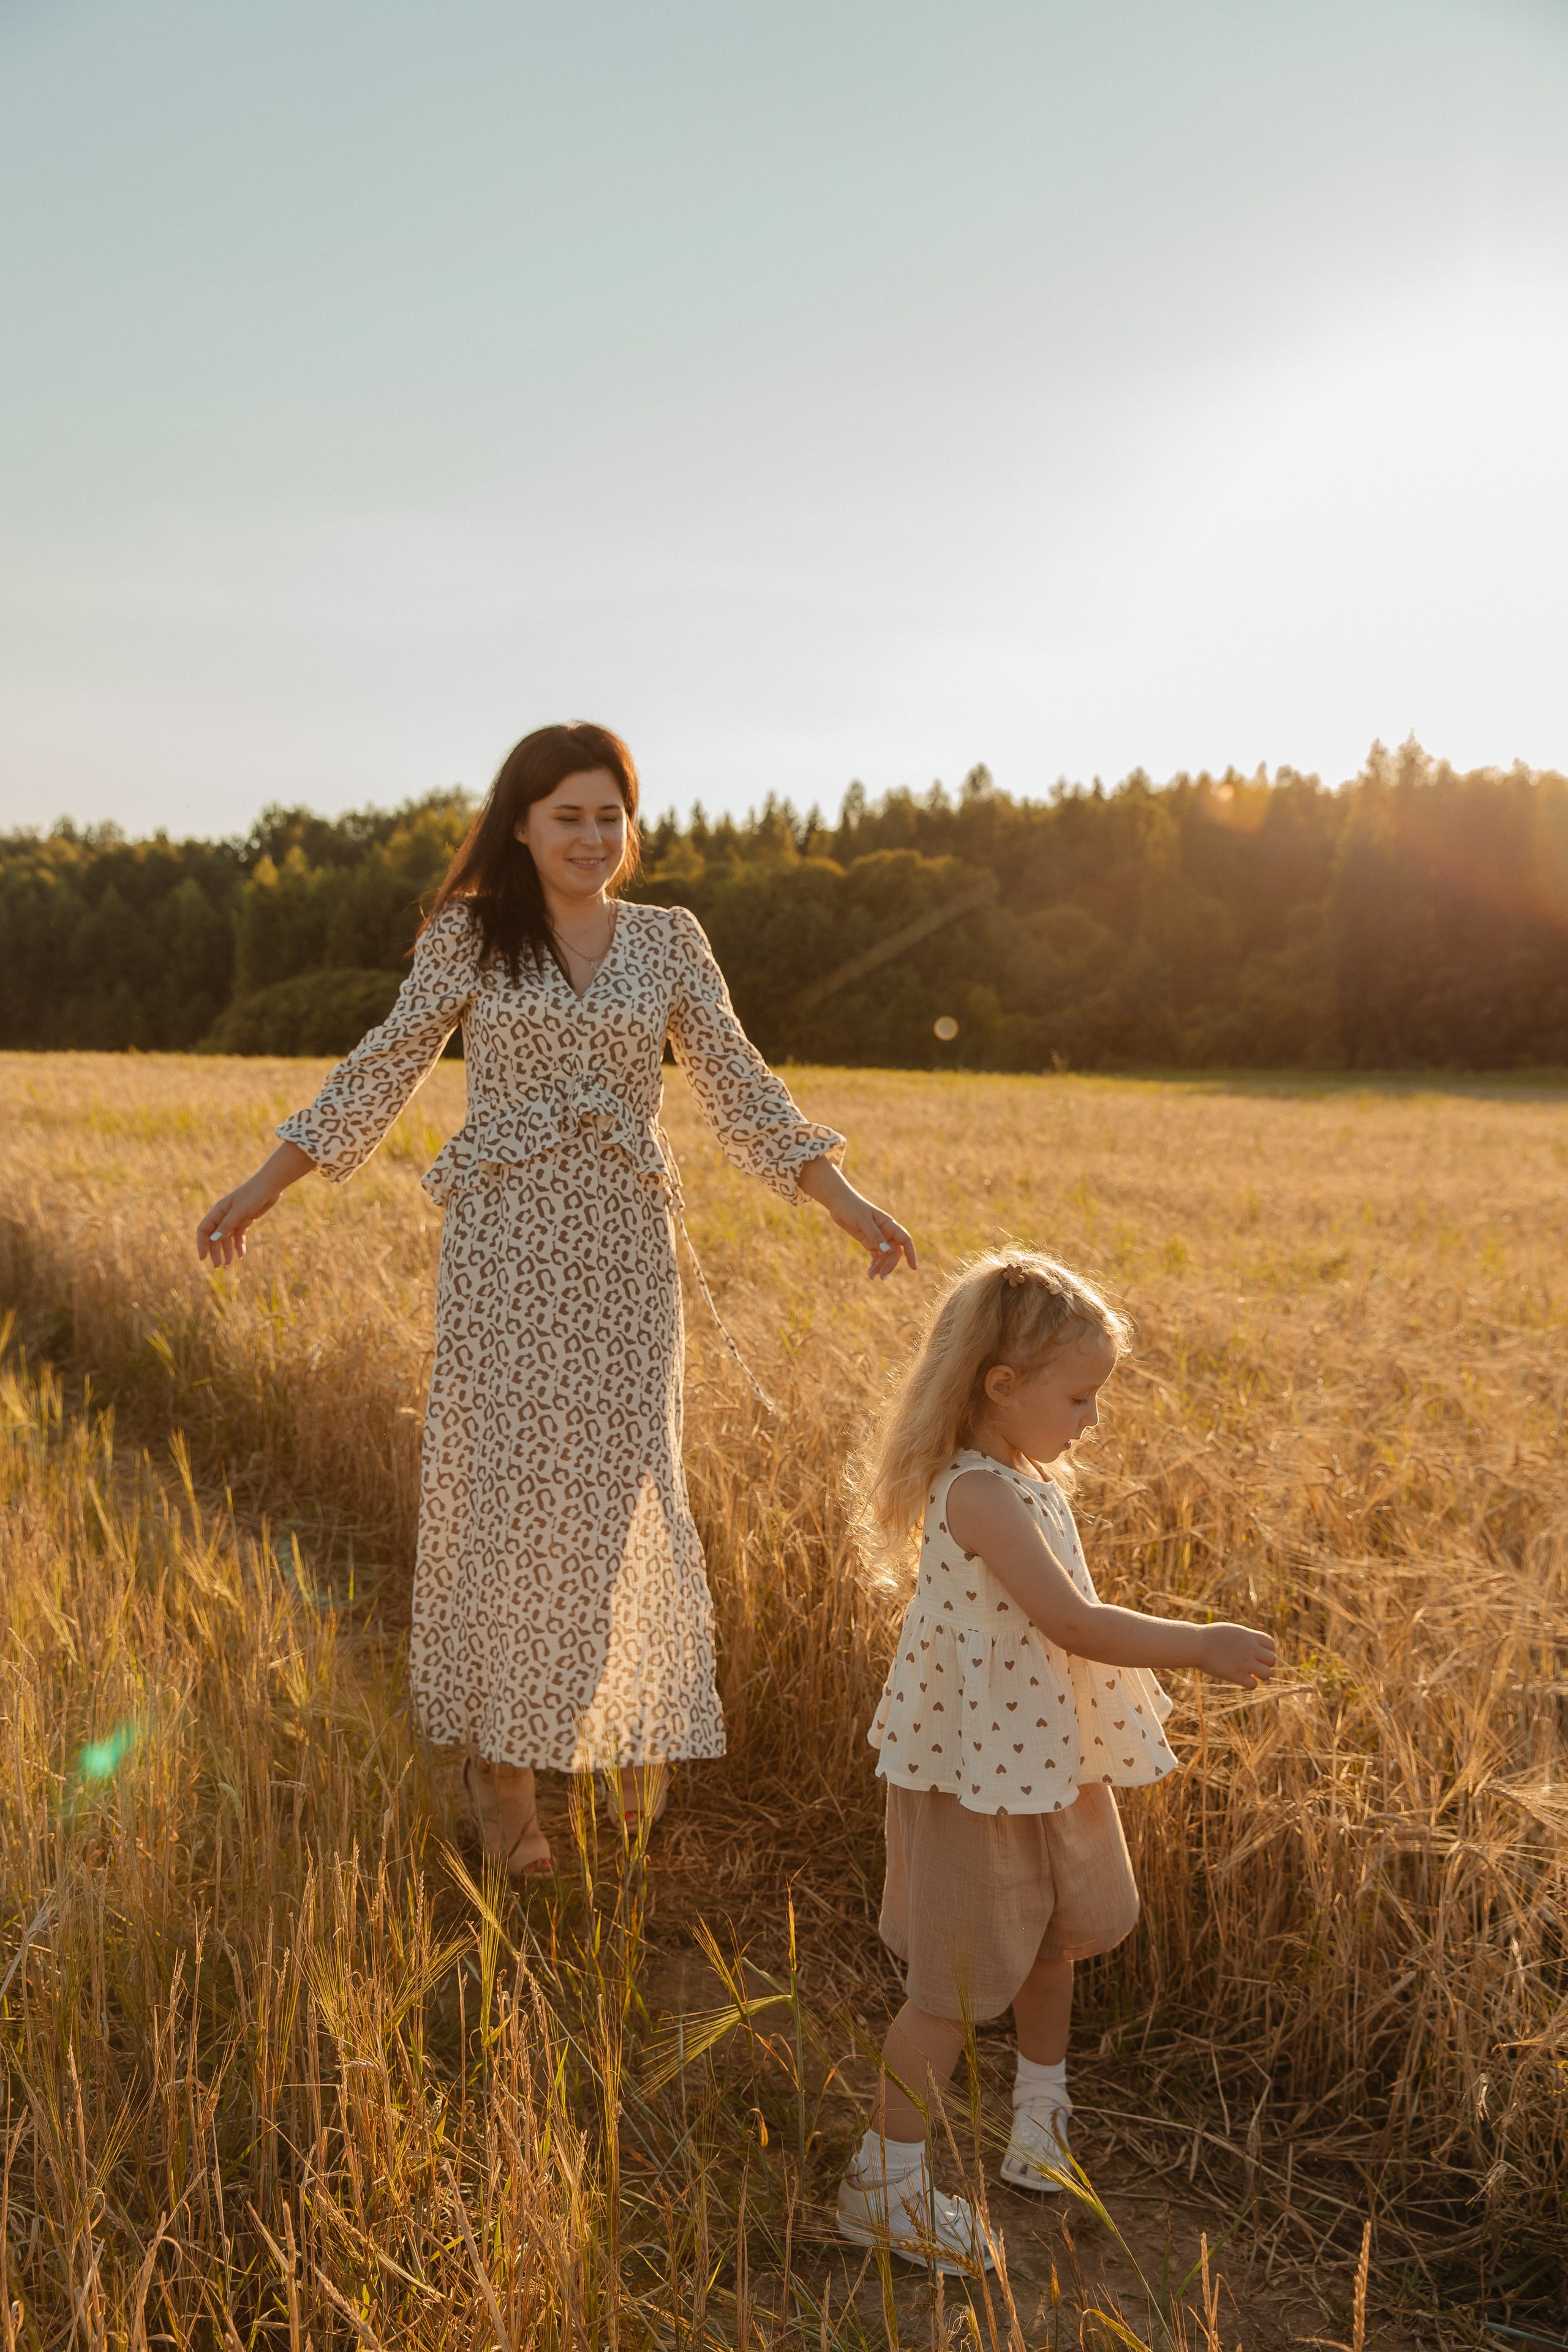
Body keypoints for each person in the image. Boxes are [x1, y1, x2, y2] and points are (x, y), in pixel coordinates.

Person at [197, 722, 915, 1881]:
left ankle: (608, 1719)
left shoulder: (672, 941)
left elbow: (740, 1085)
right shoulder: (473, 937)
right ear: (520, 824)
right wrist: (263, 1184)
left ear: (630, 829)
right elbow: (384, 1064)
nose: (592, 836)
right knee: (510, 1501)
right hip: (508, 1251)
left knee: (625, 1496)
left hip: (628, 1255)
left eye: (610, 814)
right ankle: (504, 1773)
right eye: (568, 814)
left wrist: (846, 1201)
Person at [836, 1250, 1276, 2274]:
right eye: (1079, 1398)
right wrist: (1201, 1643)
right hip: (973, 1772)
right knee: (948, 1986)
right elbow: (1071, 1621)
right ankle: (884, 2185)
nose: (1093, 1420)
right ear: (1002, 1386)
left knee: (1053, 1940)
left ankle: (1041, 2116)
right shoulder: (979, 1495)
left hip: (1041, 1751)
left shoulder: (1026, 1479)